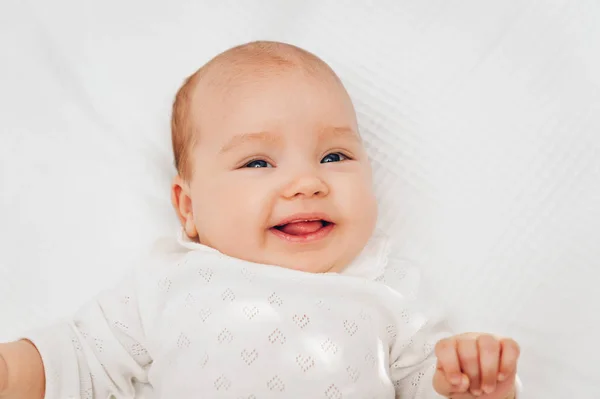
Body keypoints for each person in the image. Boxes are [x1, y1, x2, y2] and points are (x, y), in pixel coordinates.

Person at [0, 41, 521, 399]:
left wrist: (470, 383)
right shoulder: (167, 281)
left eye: (334, 157)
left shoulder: (388, 288)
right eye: (257, 163)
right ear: (188, 208)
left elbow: (427, 375)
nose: (306, 183)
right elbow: (80, 359)